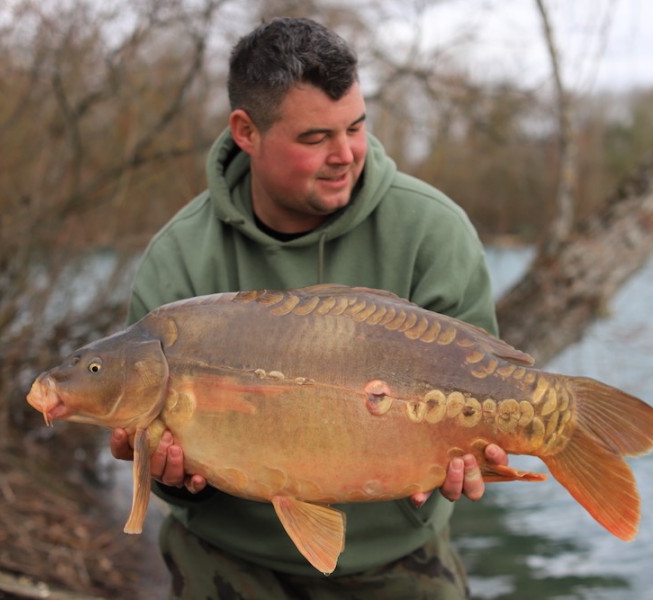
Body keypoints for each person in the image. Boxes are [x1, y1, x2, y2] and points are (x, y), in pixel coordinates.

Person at [111, 17, 509, 599]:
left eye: (356, 127)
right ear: (246, 132)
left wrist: (478, 461)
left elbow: (484, 392)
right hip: (227, 560)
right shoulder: (180, 259)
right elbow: (160, 459)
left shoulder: (433, 231)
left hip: (399, 559)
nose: (345, 154)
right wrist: (171, 477)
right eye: (315, 138)